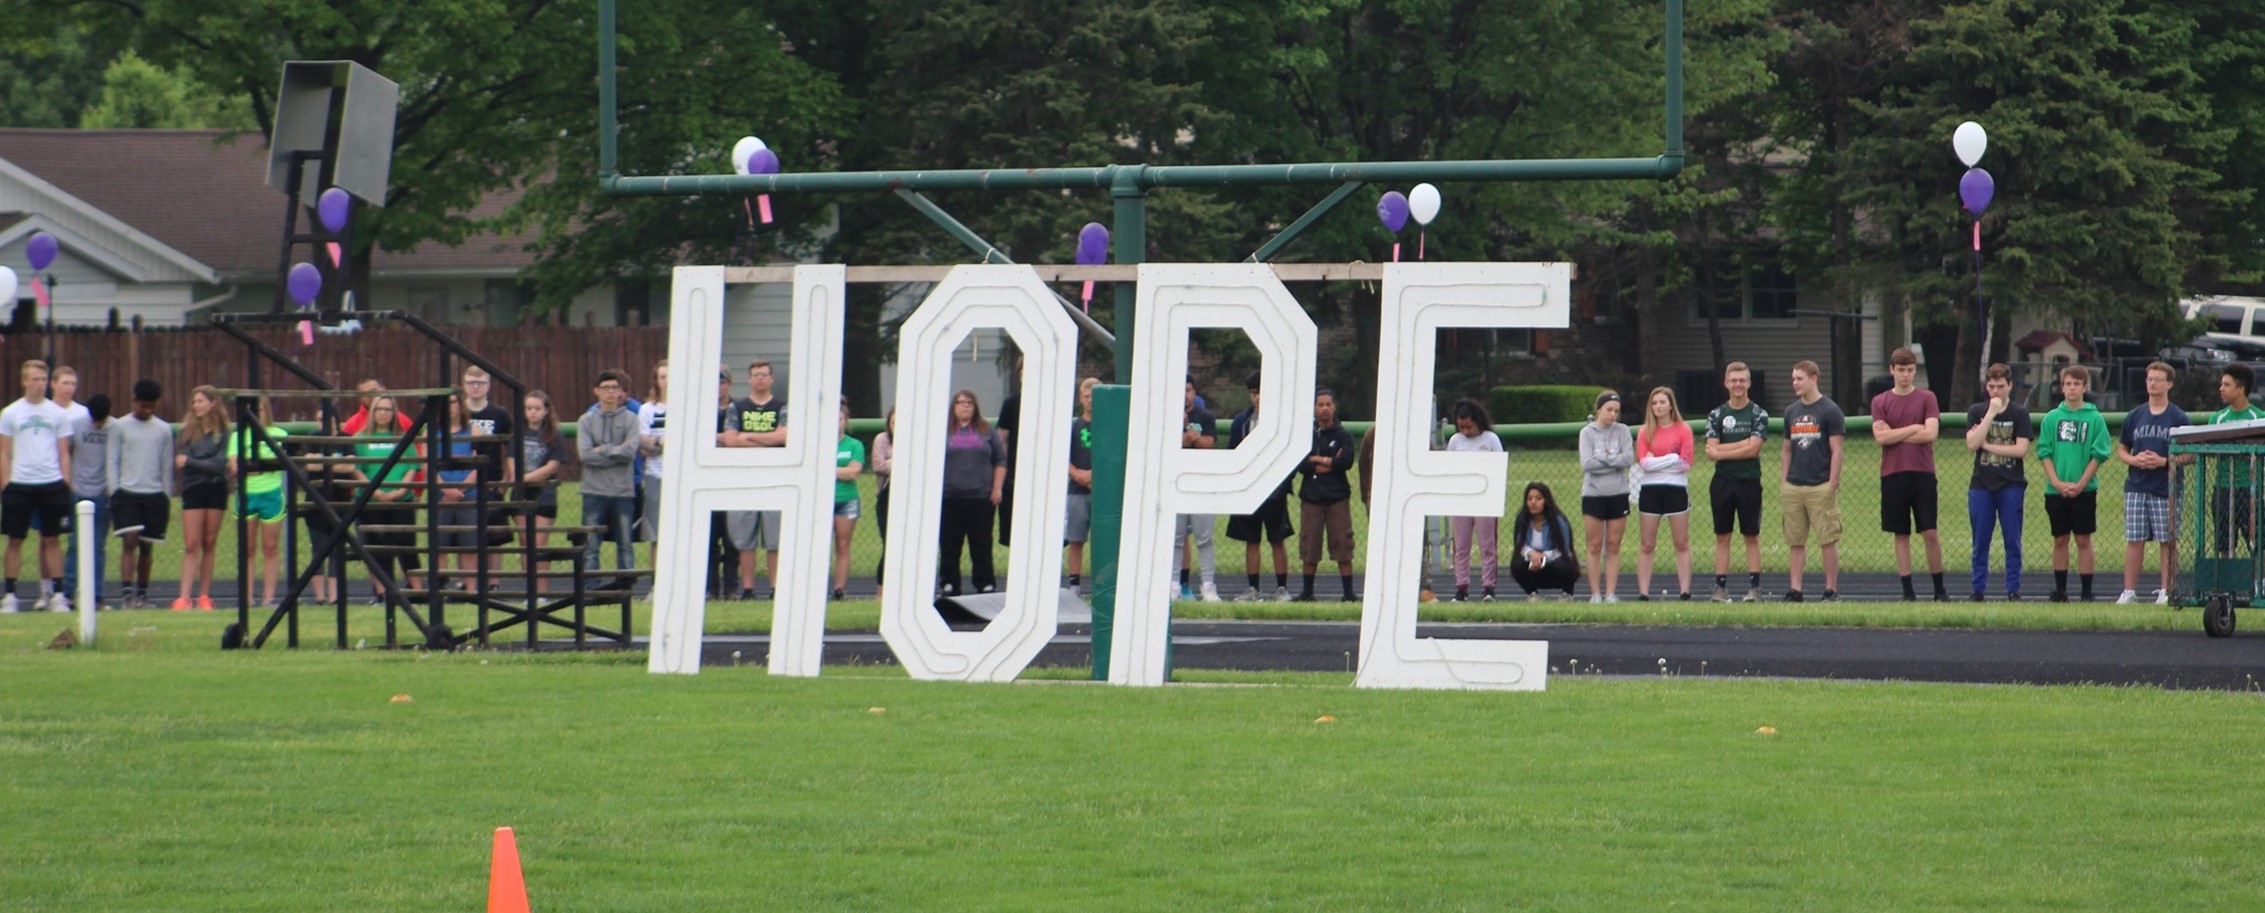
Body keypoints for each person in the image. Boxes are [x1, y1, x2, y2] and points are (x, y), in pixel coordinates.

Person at [1871, 347, 1947, 602]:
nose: (1906, 375)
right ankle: (1907, 591)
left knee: (1929, 532)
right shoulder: (1880, 401)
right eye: (1901, 370)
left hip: (1923, 473)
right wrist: (1914, 427)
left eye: (1910, 370)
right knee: (1900, 533)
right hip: (1893, 474)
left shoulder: (1927, 398)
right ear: (1892, 370)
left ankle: (1939, 589)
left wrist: (1898, 432)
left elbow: (1931, 433)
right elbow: (1881, 437)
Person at [0, 359, 75, 613]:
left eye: (43, 380)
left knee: (52, 539)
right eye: (35, 379)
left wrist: (65, 482)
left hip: (51, 483)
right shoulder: (11, 413)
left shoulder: (57, 413)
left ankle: (57, 594)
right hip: (20, 483)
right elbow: (4, 451)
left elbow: (63, 451)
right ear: (24, 381)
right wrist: (6, 485)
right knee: (15, 540)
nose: (40, 385)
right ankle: (10, 594)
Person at [2035, 364, 2111, 602]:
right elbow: (2044, 451)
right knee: (2060, 539)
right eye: (2068, 384)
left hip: (2084, 489)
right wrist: (2056, 482)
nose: (2072, 388)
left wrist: (2080, 483)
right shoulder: (2052, 418)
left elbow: (2099, 454)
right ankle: (2060, 589)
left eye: (2076, 384)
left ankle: (2087, 591)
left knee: (2083, 538)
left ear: (2084, 387)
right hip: (2055, 489)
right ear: (2062, 387)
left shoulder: (2095, 418)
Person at [2114, 362, 2186, 605]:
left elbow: (2191, 454)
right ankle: (2129, 591)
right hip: (2136, 485)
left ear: (2169, 384)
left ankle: (2167, 590)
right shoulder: (2135, 415)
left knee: (2167, 540)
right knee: (2135, 539)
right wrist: (2135, 459)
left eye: (2158, 379)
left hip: (2166, 488)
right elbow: (2122, 449)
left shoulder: (2178, 416)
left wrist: (2164, 461)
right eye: (2149, 379)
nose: (2152, 383)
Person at [1964, 364, 2033, 601]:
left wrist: (1988, 445)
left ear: (2010, 386)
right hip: (1981, 484)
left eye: (2001, 387)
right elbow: (1972, 443)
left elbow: (2021, 449)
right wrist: (1990, 415)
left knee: (2012, 540)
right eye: (1992, 386)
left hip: (2011, 483)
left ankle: (2013, 588)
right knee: (1980, 540)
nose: (1996, 391)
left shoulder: (2019, 414)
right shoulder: (1976, 411)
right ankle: (1977, 589)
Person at [1223, 373, 1293, 602]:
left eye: (1261, 392)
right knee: (1251, 540)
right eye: (1254, 393)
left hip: (1274, 490)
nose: (1258, 398)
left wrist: (1282, 484)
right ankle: (1254, 588)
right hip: (1249, 489)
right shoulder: (1241, 422)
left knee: (1277, 538)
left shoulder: (1281, 422)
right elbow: (1233, 452)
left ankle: (1282, 587)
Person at [1779, 360, 1845, 602]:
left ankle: (1831, 589)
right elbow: (1786, 449)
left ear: (1814, 378)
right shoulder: (1791, 412)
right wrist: (1784, 480)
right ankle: (1795, 589)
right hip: (1795, 484)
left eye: (1800, 378)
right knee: (1795, 540)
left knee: (1827, 539)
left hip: (1820, 484)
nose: (1795, 383)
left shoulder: (1829, 410)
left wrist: (1832, 482)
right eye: (1793, 379)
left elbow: (1837, 449)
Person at [722, 360, 788, 598]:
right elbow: (730, 440)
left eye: (764, 374)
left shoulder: (781, 406)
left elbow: (783, 437)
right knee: (745, 539)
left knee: (774, 539)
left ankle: (775, 587)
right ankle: (748, 588)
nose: (760, 378)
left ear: (771, 379)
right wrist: (765, 438)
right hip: (745, 477)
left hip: (774, 478)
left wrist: (747, 436)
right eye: (755, 375)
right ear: (749, 379)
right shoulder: (737, 407)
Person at [1704, 362, 1769, 602]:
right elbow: (1710, 451)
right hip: (1722, 481)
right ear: (1726, 383)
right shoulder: (1716, 414)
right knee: (1722, 535)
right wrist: (1742, 443)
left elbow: (1753, 450)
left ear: (1749, 383)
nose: (1738, 384)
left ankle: (1754, 588)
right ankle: (1720, 587)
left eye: (1742, 380)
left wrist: (1724, 448)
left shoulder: (1758, 413)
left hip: (1749, 481)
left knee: (1751, 535)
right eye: (1734, 380)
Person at [108, 380, 174, 610]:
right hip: (127, 492)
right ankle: (127, 595)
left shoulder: (163, 429)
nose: (146, 410)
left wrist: (166, 494)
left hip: (154, 494)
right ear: (135, 401)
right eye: (143, 405)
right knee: (130, 540)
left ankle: (142, 596)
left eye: (151, 406)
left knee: (147, 546)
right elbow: (112, 459)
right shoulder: (119, 426)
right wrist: (114, 488)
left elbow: (166, 464)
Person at [352, 396, 423, 604]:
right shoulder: (360, 438)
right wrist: (373, 491)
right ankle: (383, 593)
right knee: (375, 548)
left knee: (407, 547)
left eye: (388, 409)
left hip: (401, 501)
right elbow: (356, 469)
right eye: (379, 409)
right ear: (372, 412)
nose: (383, 413)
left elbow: (412, 466)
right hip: (371, 502)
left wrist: (401, 490)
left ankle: (417, 593)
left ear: (394, 413)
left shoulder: (403, 437)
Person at [936, 388, 1006, 596]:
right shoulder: (944, 431)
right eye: (960, 402)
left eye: (969, 402)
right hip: (950, 498)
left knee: (981, 544)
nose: (965, 406)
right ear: (953, 407)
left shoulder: (987, 431)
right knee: (949, 544)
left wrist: (997, 488)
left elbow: (1000, 460)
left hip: (981, 498)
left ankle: (985, 583)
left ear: (975, 407)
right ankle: (949, 583)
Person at [226, 398, 291, 607]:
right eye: (249, 409)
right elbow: (236, 468)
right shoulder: (237, 437)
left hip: (271, 494)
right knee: (247, 548)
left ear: (266, 410)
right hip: (247, 494)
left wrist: (255, 466)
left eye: (259, 409)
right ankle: (247, 597)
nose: (254, 413)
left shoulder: (279, 435)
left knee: (270, 547)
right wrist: (261, 466)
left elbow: (285, 463)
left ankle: (268, 597)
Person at [1633, 386, 1694, 601]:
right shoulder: (1644, 432)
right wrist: (1670, 457)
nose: (1658, 406)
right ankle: (1643, 592)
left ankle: (1685, 590)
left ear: (1670, 404)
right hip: (1650, 490)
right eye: (1654, 403)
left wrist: (1658, 460)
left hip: (1676, 488)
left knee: (1681, 542)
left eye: (1662, 402)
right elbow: (1643, 463)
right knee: (1647, 544)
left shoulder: (1683, 429)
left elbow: (1685, 462)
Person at [1296, 388, 1358, 602]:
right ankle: (1307, 591)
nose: (1324, 408)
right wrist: (1330, 462)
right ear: (1314, 408)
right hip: (1312, 497)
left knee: (1343, 545)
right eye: (1320, 404)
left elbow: (1346, 462)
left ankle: (1348, 593)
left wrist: (1319, 460)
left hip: (1337, 497)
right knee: (1309, 545)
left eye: (1328, 404)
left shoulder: (1343, 435)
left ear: (1334, 407)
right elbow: (1301, 464)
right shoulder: (1306, 434)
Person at [1439, 398, 1503, 602]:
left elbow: (1498, 468)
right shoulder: (1456, 441)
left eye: (1470, 427)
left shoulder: (1490, 439)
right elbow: (1449, 468)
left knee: (1487, 545)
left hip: (1484, 499)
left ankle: (1489, 586)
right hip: (1462, 499)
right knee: (1462, 545)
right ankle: (1461, 586)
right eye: (1462, 427)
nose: (1466, 431)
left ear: (1478, 422)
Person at [457, 365, 516, 581]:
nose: (475, 388)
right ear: (464, 386)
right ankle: (464, 581)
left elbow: (510, 448)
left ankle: (493, 583)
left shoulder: (499, 413)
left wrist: (506, 480)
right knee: (463, 536)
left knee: (495, 537)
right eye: (471, 383)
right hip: (461, 482)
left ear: (488, 385)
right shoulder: (458, 412)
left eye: (480, 383)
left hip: (491, 481)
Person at [578, 370, 641, 575]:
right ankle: (590, 587)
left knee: (624, 543)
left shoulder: (631, 419)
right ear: (596, 391)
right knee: (591, 545)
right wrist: (616, 450)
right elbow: (585, 455)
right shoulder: (586, 421)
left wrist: (603, 449)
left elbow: (630, 452)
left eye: (614, 388)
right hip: (593, 491)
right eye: (606, 388)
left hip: (623, 491)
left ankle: (625, 587)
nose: (611, 393)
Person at [173, 385, 229, 611]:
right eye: (194, 401)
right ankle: (183, 597)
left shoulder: (224, 432)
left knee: (209, 541)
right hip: (193, 488)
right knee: (191, 543)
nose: (196, 405)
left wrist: (194, 463)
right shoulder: (186, 432)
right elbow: (181, 462)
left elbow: (219, 465)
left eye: (201, 401)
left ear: (213, 403)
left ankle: (204, 595)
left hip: (216, 488)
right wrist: (200, 464)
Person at [1577, 391, 1634, 603]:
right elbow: (1587, 464)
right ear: (1599, 409)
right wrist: (1613, 461)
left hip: (1618, 492)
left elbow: (1628, 458)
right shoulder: (1587, 433)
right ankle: (1595, 593)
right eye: (1609, 410)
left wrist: (1604, 458)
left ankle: (1610, 592)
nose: (1613, 415)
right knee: (1594, 544)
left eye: (1616, 411)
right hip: (1593, 494)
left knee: (1614, 543)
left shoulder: (1623, 431)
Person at [1172, 377, 1221, 601]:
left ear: (1194, 392)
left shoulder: (1206, 417)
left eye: (1188, 390)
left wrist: (1193, 436)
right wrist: (1183, 430)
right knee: (1176, 537)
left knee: (1204, 538)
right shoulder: (1169, 416)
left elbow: (1208, 445)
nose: (1185, 395)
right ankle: (1173, 585)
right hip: (1177, 483)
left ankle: (1208, 585)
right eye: (1180, 390)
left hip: (1201, 483)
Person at [2206, 362, 2262, 557]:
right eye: (2221, 384)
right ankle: (2228, 583)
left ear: (2241, 389)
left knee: (2257, 542)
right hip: (2223, 488)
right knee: (2224, 543)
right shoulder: (2217, 419)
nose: (2221, 389)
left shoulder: (2258, 417)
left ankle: (2260, 582)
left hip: (2249, 489)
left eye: (2226, 385)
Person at [65, 387, 112, 608]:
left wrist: (110, 487)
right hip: (78, 491)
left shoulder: (114, 428)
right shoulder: (76, 426)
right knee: (75, 544)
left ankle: (96, 595)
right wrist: (71, 484)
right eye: (94, 420)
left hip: (102, 494)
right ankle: (69, 592)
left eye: (101, 421)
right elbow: (67, 452)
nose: (97, 425)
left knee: (98, 546)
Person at [520, 391, 569, 588]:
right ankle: (528, 590)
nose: (533, 412)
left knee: (538, 544)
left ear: (546, 410)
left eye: (537, 408)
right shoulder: (519, 431)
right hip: (520, 494)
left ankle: (541, 591)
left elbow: (553, 466)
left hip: (545, 494)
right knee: (525, 544)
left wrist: (524, 478)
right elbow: (511, 460)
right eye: (529, 408)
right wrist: (516, 479)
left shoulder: (555, 433)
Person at [1509, 482, 1580, 599]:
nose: (1533, 502)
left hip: (1553, 564)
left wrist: (1543, 557)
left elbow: (1565, 550)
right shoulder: (1522, 519)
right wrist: (1531, 553)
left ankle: (1566, 594)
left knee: (1566, 565)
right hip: (1533, 565)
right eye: (1529, 498)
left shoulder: (1559, 520)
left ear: (1546, 500)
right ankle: (1532, 594)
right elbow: (1520, 545)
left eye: (1538, 498)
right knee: (1517, 564)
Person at [1064, 380, 1099, 595]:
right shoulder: (1074, 427)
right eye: (1087, 396)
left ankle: (1101, 583)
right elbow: (1064, 456)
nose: (1091, 401)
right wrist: (1078, 474)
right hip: (1077, 491)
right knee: (1076, 539)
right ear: (1081, 398)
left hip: (1101, 491)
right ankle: (1074, 585)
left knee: (1102, 540)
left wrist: (1095, 474)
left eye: (1095, 396)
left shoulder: (1109, 427)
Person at [831, 397, 864, 601]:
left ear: (846, 420)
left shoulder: (854, 445)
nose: (837, 422)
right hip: (822, 500)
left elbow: (853, 472)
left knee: (843, 546)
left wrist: (829, 470)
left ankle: (839, 590)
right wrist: (841, 470)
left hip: (847, 499)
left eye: (840, 418)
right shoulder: (819, 444)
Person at [636, 360, 669, 568]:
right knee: (658, 534)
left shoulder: (688, 406)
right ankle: (656, 582)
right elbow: (643, 444)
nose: (667, 381)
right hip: (656, 475)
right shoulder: (648, 409)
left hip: (683, 478)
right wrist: (660, 442)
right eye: (663, 377)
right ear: (656, 381)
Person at [871, 407, 895, 599]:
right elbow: (878, 465)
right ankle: (881, 593)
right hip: (887, 497)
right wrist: (898, 462)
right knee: (890, 545)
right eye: (894, 422)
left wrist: (891, 462)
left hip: (912, 498)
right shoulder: (882, 439)